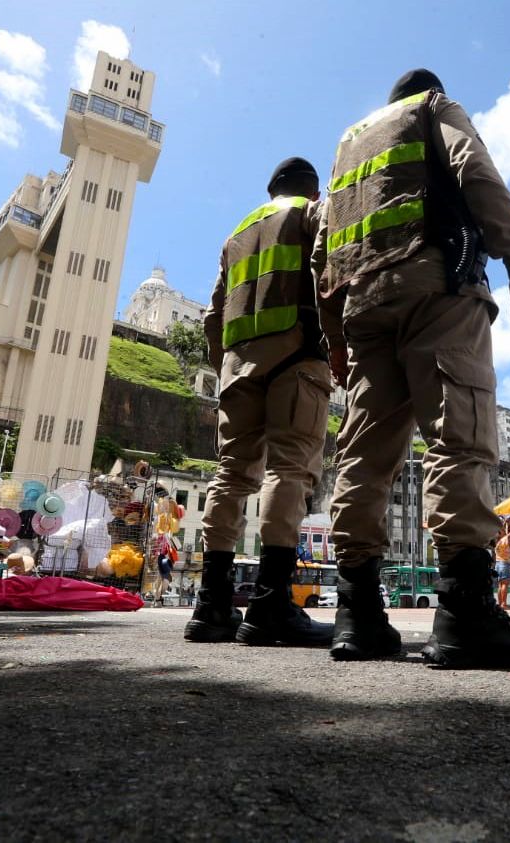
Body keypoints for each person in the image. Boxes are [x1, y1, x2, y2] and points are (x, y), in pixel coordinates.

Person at [315, 69, 510, 668]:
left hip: (362, 305)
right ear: (425, 91)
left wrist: (334, 335)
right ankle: (464, 614)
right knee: (460, 434)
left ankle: (357, 616)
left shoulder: (350, 145)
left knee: (364, 454)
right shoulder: (434, 108)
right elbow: (476, 171)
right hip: (435, 285)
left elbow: (323, 247)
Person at [185, 157, 334, 648]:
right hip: (296, 354)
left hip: (236, 365)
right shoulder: (313, 215)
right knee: (289, 469)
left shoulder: (237, 234)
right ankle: (271, 605)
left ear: (271, 188)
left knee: (231, 473)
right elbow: (330, 277)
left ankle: (211, 607)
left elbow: (213, 312)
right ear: (313, 190)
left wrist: (227, 362)